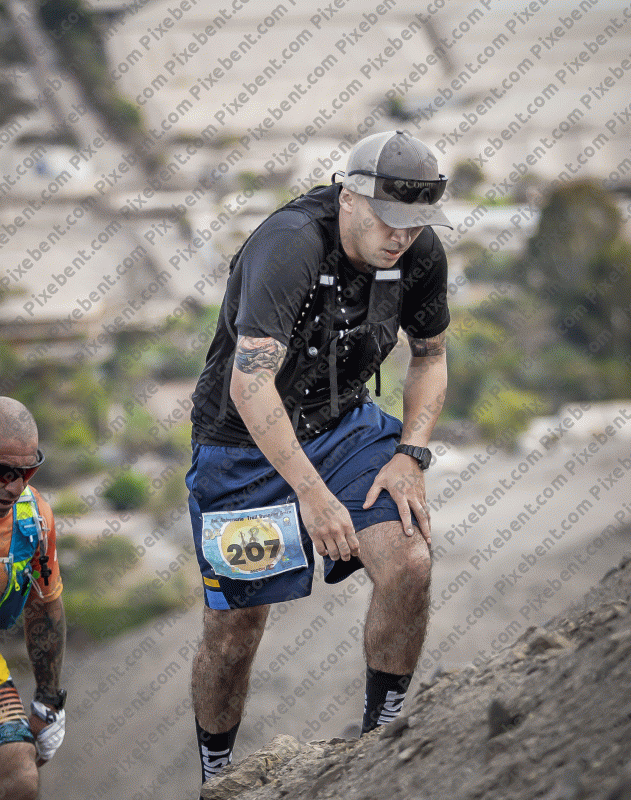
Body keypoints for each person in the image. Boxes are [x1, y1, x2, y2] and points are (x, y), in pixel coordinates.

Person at [186, 130, 452, 792]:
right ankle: (216, 776)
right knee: (236, 630)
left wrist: (411, 454)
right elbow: (251, 384)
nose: (401, 237)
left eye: (415, 223)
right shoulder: (290, 245)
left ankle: (382, 740)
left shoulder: (418, 252)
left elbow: (431, 356)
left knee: (410, 561)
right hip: (243, 443)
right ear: (349, 198)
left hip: (341, 425)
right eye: (388, 220)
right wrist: (312, 494)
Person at [0, 398, 66, 800]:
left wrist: (47, 701)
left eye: (27, 472)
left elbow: (44, 607)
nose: (14, 486)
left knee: (21, 776)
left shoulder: (33, 518)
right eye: (2, 471)